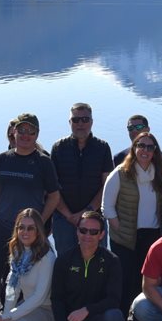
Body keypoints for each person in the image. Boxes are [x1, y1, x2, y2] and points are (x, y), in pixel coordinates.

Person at [0, 113, 61, 321]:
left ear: (36, 134)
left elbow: (54, 197)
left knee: (20, 275)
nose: (26, 135)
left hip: (27, 232)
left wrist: (40, 222)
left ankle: (14, 317)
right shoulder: (2, 159)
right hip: (2, 225)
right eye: (22, 130)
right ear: (13, 132)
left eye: (31, 131)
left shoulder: (43, 162)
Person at [102, 130, 162, 318]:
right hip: (125, 237)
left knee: (146, 279)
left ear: (155, 150)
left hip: (152, 235)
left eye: (150, 147)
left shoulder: (161, 174)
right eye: (141, 146)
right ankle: (119, 318)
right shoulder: (120, 173)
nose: (145, 150)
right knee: (124, 280)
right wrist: (118, 228)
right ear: (134, 148)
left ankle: (140, 319)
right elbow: (107, 207)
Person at [50, 211, 124, 321]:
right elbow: (56, 299)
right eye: (83, 230)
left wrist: (87, 310)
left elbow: (114, 300)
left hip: (98, 317)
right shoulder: (63, 260)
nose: (87, 235)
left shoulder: (112, 261)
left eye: (93, 232)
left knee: (115, 316)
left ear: (102, 234)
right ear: (77, 231)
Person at [50, 102, 114, 258]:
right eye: (76, 120)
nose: (80, 124)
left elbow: (107, 186)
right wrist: (69, 215)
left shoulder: (102, 147)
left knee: (97, 261)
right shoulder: (58, 148)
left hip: (94, 218)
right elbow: (52, 186)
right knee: (65, 262)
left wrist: (87, 211)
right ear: (70, 122)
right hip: (64, 219)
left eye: (85, 119)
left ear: (91, 122)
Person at [0, 208, 57, 321]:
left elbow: (39, 297)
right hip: (27, 305)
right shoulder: (17, 250)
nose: (25, 232)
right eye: (21, 227)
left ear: (38, 230)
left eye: (31, 228)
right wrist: (6, 315)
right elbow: (13, 287)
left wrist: (9, 317)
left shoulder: (47, 256)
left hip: (46, 310)